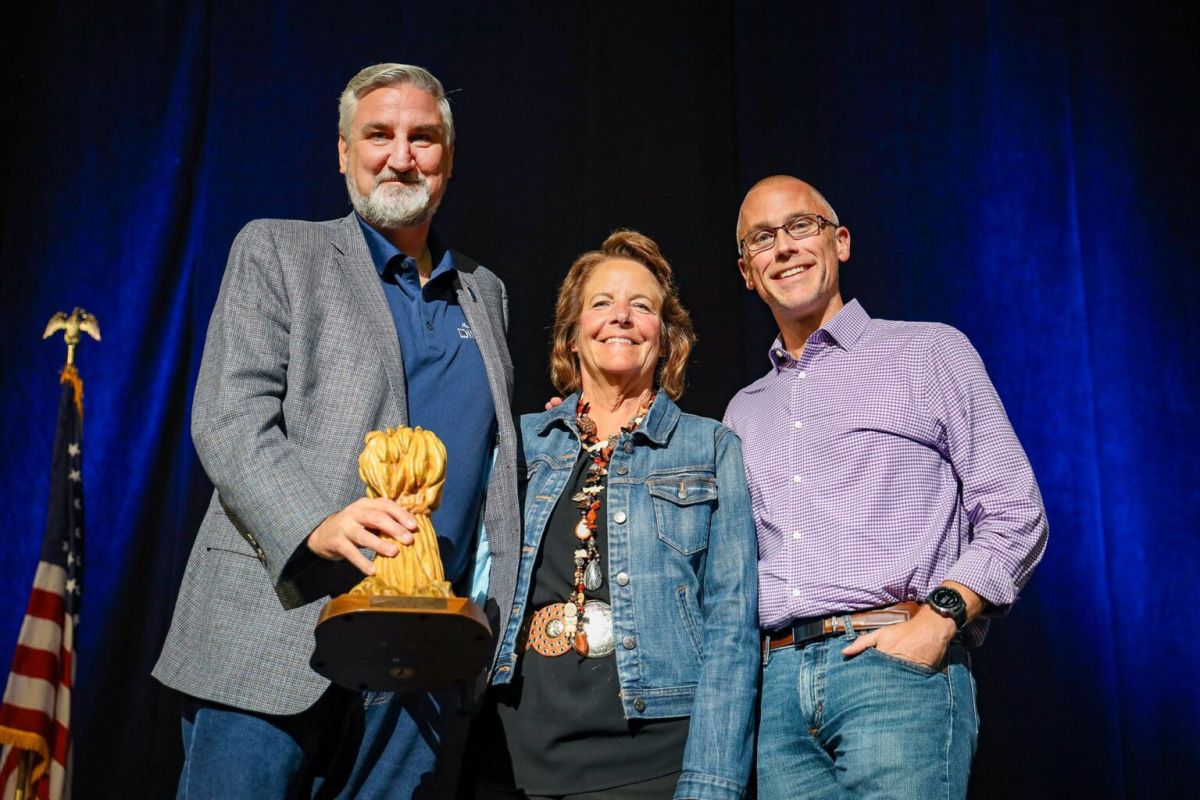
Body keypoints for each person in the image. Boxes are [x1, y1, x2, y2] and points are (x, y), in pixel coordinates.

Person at [153, 63, 520, 798]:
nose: (400, 156)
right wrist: (316, 524)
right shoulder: (277, 251)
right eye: (378, 135)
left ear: (446, 159)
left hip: (421, 663)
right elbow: (229, 416)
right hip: (274, 632)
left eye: (422, 138)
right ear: (343, 152)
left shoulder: (487, 292)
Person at [724, 175, 1048, 800]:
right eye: (763, 238)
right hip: (778, 695)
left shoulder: (930, 353)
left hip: (892, 669)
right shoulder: (742, 411)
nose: (784, 247)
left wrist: (939, 620)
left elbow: (1014, 510)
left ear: (839, 242)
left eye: (801, 227)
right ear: (747, 272)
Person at [467, 231, 758, 800]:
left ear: (666, 338)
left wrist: (713, 782)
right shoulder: (519, 444)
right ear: (572, 334)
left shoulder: (711, 447)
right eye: (601, 303)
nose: (621, 317)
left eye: (642, 307)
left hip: (654, 762)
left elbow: (732, 628)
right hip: (512, 757)